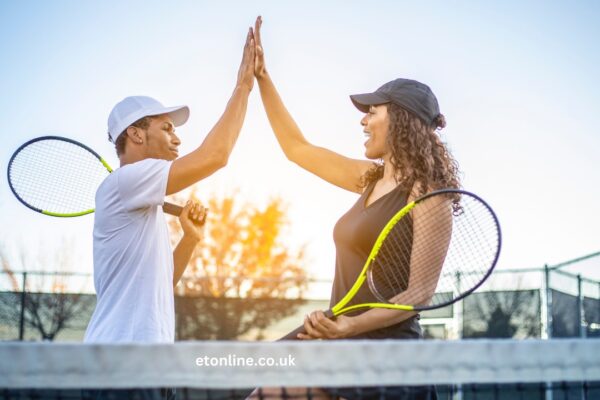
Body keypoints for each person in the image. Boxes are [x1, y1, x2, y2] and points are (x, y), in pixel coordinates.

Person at [251, 16, 459, 399]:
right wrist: (262, 78)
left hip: (385, 357)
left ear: (398, 119)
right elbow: (298, 149)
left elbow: (417, 296)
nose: (362, 120)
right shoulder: (368, 179)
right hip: (338, 340)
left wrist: (348, 327)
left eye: (372, 111)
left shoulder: (430, 195)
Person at [83, 28, 255, 400]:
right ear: (136, 134)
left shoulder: (143, 203)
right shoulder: (127, 182)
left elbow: (161, 284)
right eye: (167, 128)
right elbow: (216, 155)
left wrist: (191, 238)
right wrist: (243, 87)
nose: (176, 138)